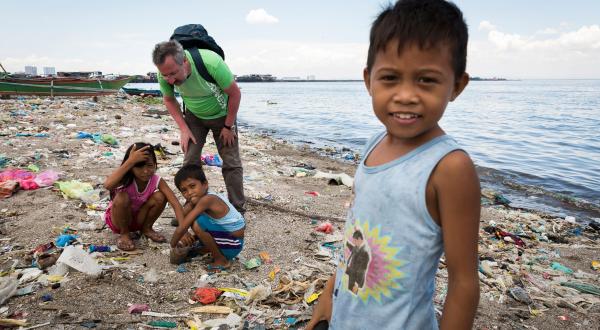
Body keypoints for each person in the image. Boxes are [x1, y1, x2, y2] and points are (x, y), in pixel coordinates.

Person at [307, 0, 480, 329]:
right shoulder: (374, 145)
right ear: (368, 80)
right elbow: (355, 238)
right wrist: (330, 293)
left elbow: (464, 283)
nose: (405, 95)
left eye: (426, 80)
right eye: (390, 78)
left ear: (457, 85)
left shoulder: (450, 168)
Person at [152, 40, 246, 216]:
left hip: (223, 116)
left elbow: (235, 94)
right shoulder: (164, 72)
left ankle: (238, 209)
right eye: (165, 76)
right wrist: (183, 128)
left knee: (231, 164)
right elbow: (169, 99)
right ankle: (193, 207)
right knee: (189, 162)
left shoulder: (211, 62)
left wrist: (228, 126)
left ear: (185, 62)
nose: (170, 80)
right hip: (194, 118)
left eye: (173, 73)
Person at [104, 143, 185, 251]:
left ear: (155, 164)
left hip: (139, 219)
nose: (146, 171)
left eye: (150, 166)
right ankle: (124, 233)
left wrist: (183, 230)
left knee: (160, 196)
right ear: (131, 167)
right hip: (119, 221)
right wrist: (130, 161)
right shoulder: (125, 179)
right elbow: (107, 185)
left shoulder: (156, 180)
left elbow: (175, 204)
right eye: (139, 166)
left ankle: (146, 229)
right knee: (121, 197)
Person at [170, 164, 245, 270]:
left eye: (192, 186)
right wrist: (185, 232)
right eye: (184, 190)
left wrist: (172, 245)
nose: (190, 193)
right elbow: (180, 217)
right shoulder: (199, 197)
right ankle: (207, 248)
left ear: (205, 184)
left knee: (198, 223)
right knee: (192, 218)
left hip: (234, 244)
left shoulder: (208, 199)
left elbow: (181, 227)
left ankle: (221, 260)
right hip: (228, 239)